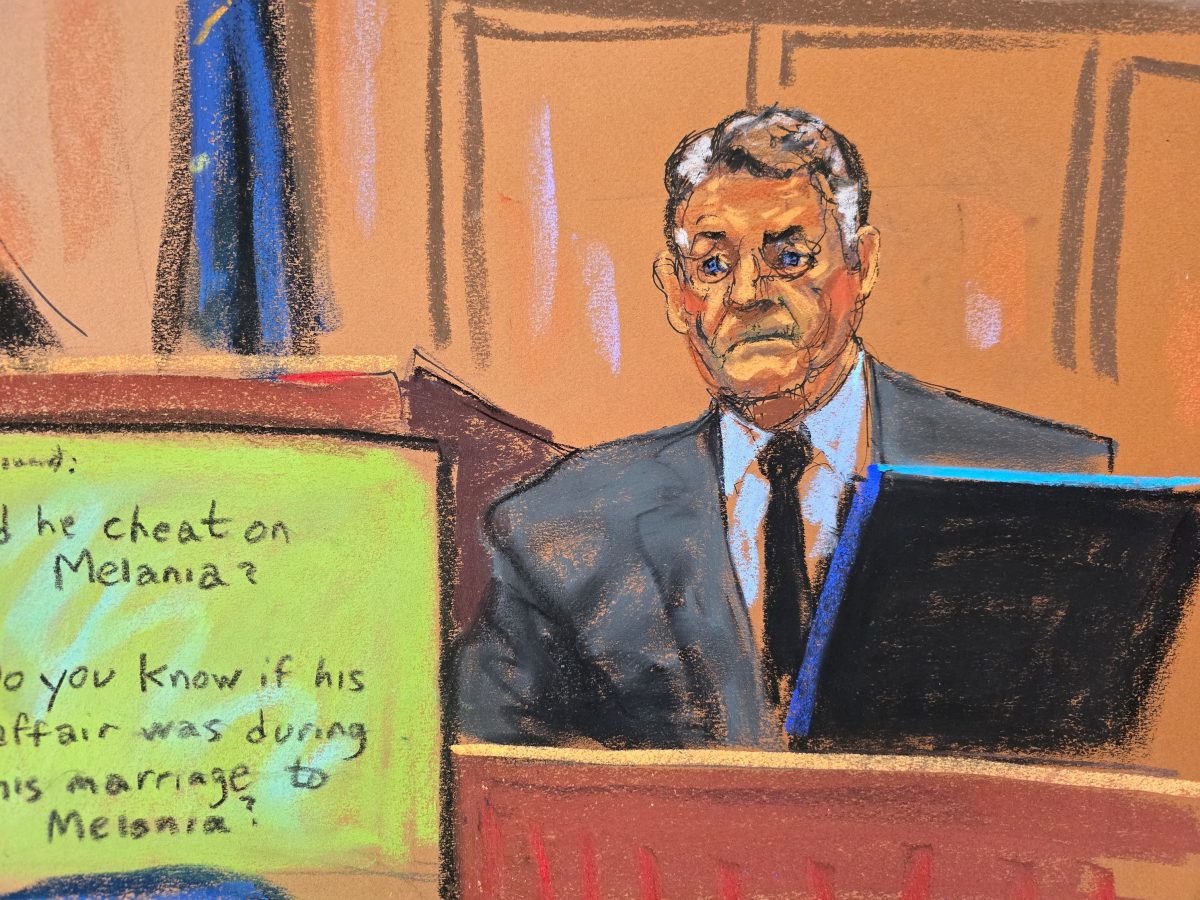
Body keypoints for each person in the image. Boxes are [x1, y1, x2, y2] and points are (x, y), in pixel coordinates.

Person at [455, 106, 1113, 750]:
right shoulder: (560, 532)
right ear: (676, 292)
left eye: (790, 255)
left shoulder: (1047, 488)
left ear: (863, 264)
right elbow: (489, 780)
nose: (748, 293)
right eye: (713, 266)